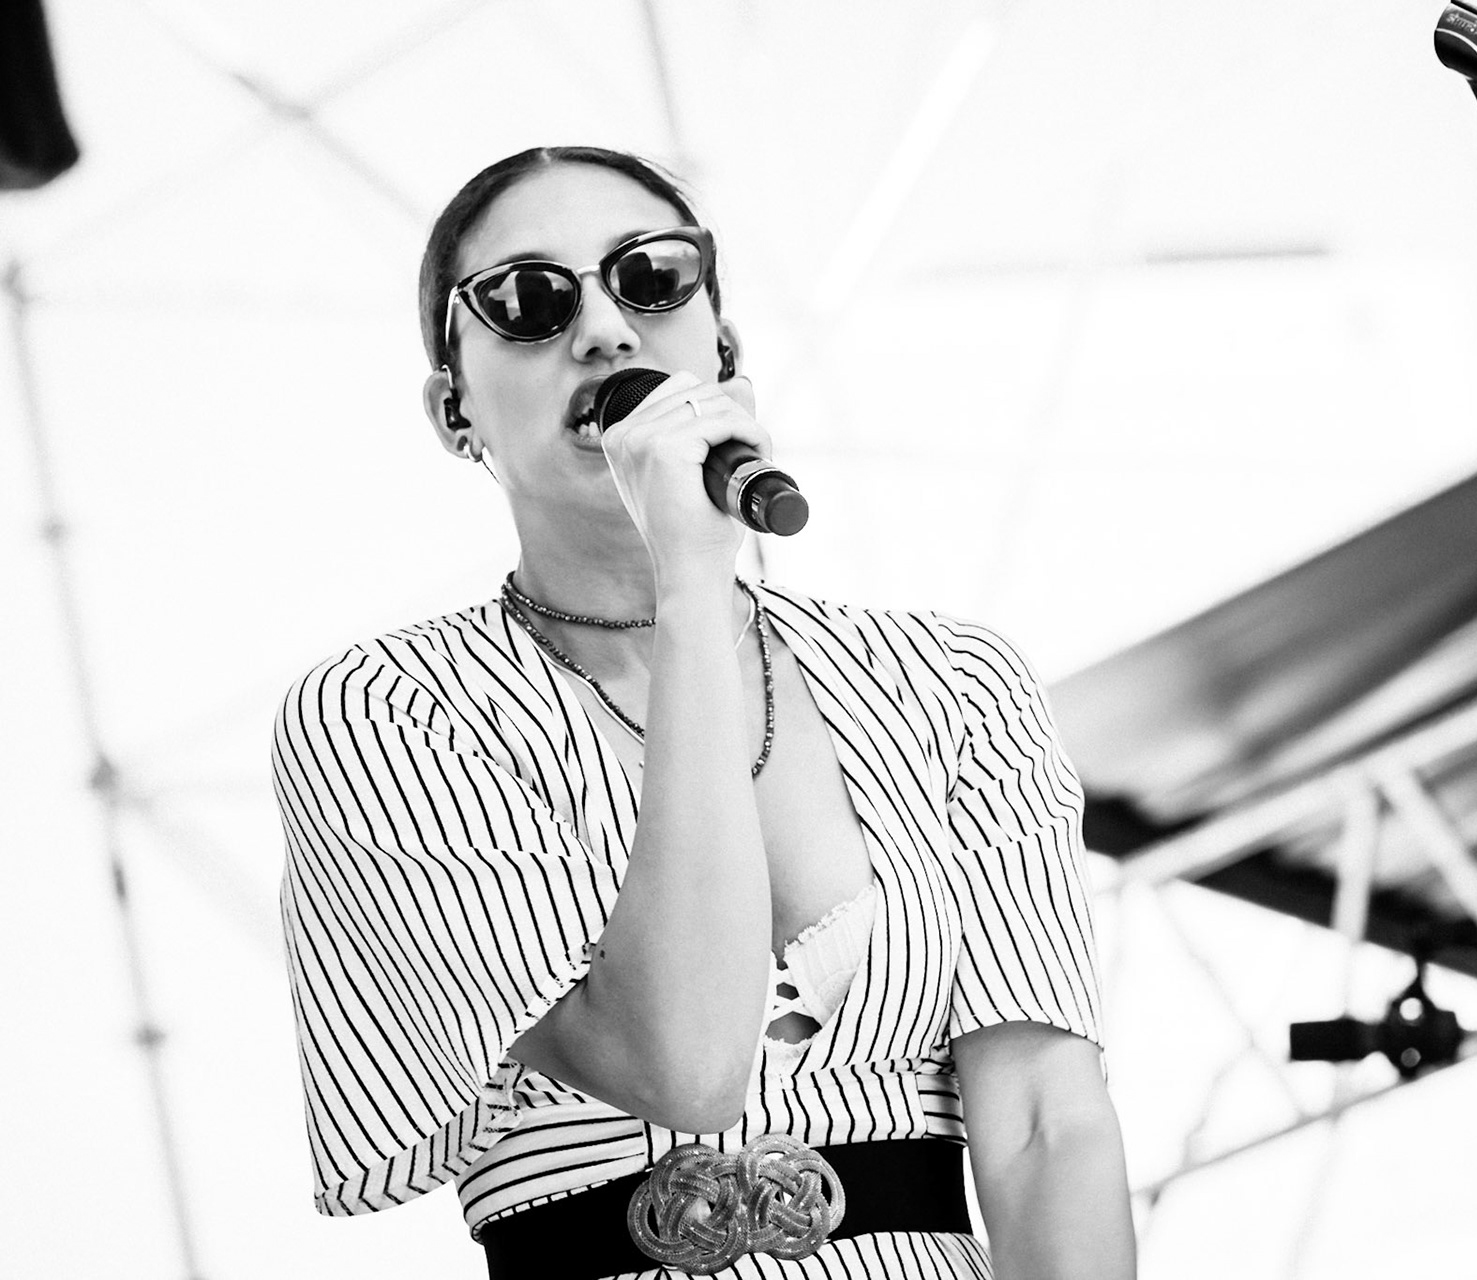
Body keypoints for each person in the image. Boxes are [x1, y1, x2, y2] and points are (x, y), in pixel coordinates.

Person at [272, 145, 1135, 1280]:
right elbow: (682, 1061)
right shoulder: (391, 713)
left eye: (652, 276)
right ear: (454, 408)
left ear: (721, 346)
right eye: (530, 300)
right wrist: (689, 584)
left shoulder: (949, 680)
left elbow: (1043, 1124)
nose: (604, 330)